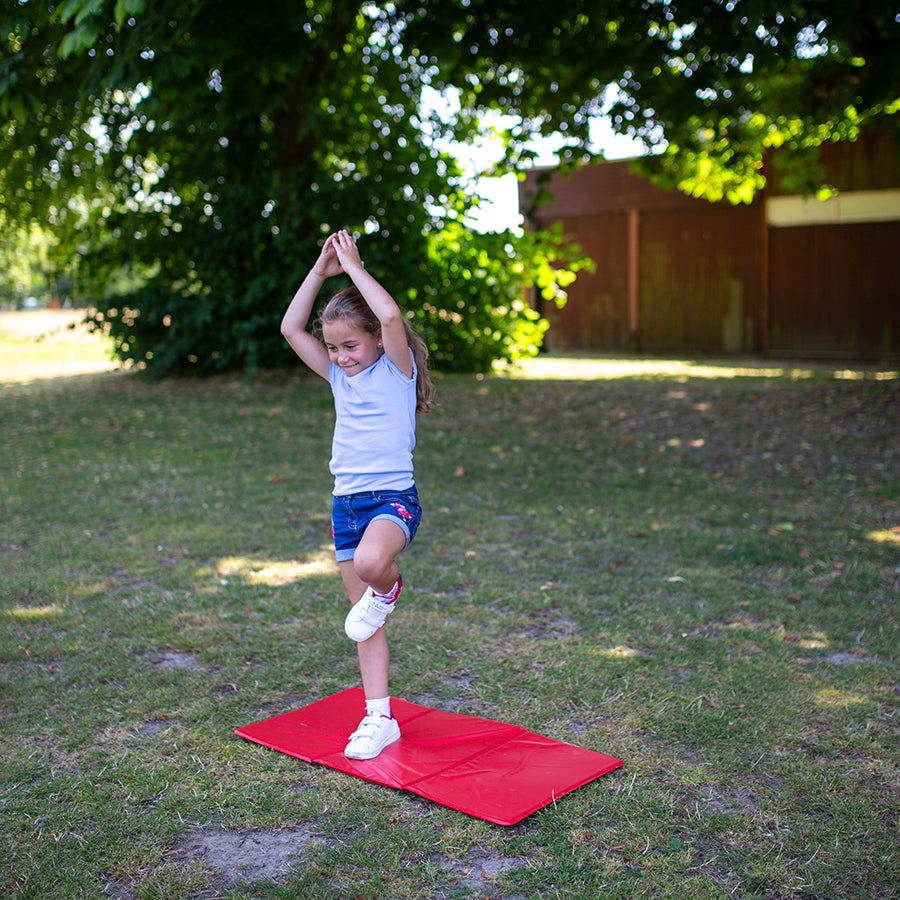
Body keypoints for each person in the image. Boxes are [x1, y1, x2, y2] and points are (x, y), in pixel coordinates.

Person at [280, 229, 435, 760]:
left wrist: (355, 268)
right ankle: (379, 718)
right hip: (345, 504)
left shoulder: (396, 371)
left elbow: (391, 316)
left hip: (392, 498)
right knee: (362, 625)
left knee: (374, 566)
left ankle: (390, 590)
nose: (341, 357)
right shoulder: (339, 379)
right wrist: (320, 272)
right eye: (333, 348)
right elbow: (290, 327)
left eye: (351, 345)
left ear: (373, 340)